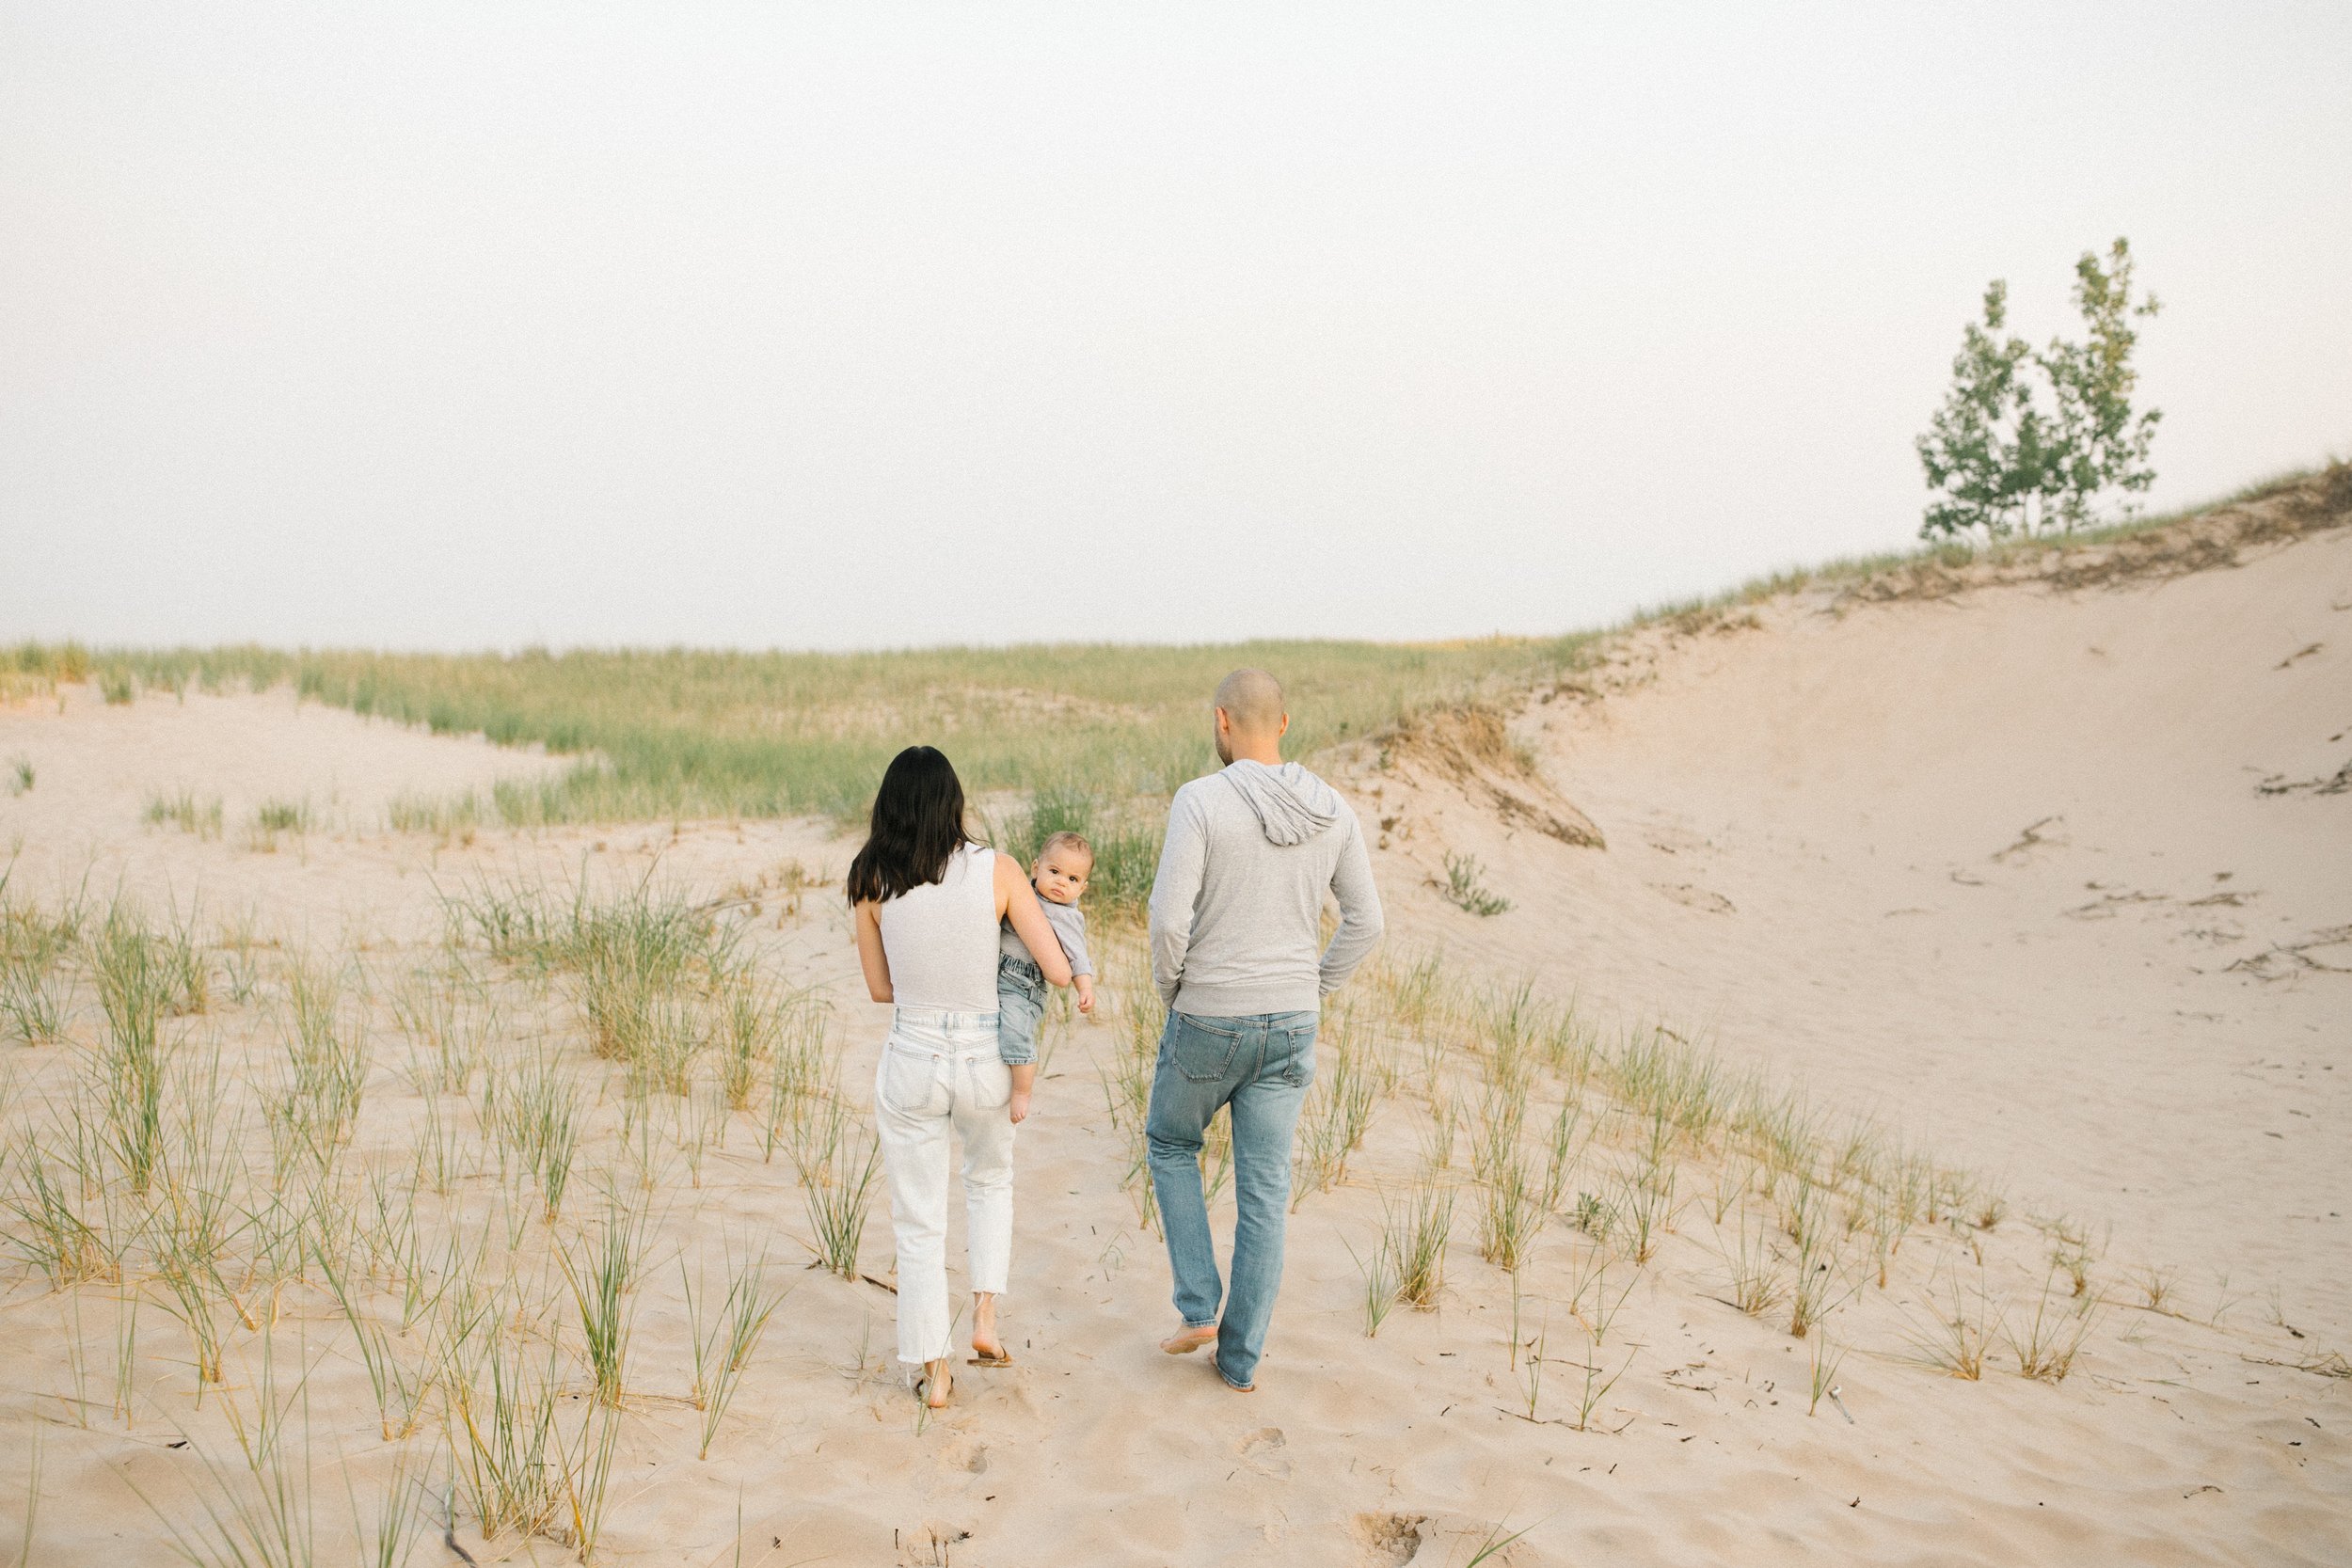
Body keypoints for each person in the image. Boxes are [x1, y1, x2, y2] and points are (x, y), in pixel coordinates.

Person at [1145, 668, 1384, 1392]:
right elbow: (1367, 923)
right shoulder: (1333, 809)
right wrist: (1312, 986)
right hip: (1291, 1025)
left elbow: (1165, 920)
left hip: (1209, 1013)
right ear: (1281, 724)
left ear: (1222, 721)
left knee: (1169, 1141)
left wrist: (1174, 990)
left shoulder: (1201, 800)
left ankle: (1197, 1303)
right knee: (1264, 1191)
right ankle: (1240, 1361)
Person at [850, 746, 1074, 1409]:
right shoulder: (998, 869)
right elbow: (1057, 969)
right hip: (984, 1054)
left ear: (889, 804)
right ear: (955, 803)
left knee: (918, 1220)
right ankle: (984, 1319)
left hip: (914, 1051)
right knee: (990, 1182)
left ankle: (935, 1369)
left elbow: (878, 987)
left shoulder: (870, 876)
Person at [994, 831, 1097, 1119]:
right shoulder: (1020, 890)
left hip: (1023, 984)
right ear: (1036, 868)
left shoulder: (1066, 916)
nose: (1061, 882)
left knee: (1015, 1032)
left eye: (1073, 879)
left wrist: (1085, 988)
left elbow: (1078, 955)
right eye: (1054, 871)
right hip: (995, 969)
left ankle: (1022, 1091)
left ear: (1082, 888)